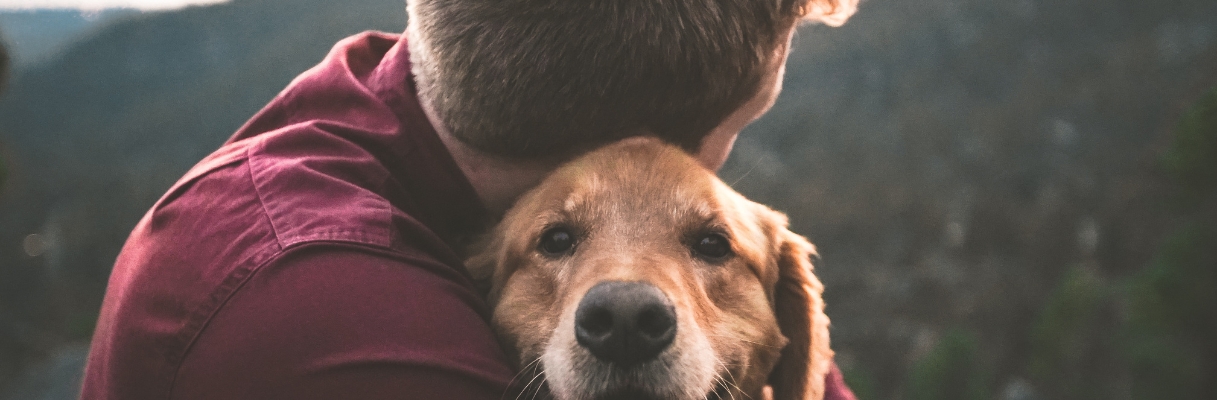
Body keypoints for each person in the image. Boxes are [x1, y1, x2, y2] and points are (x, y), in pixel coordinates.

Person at [79, 0, 860, 398]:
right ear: (641, 143)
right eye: (744, 122)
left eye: (706, 237)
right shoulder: (330, 312)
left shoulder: (402, 96)